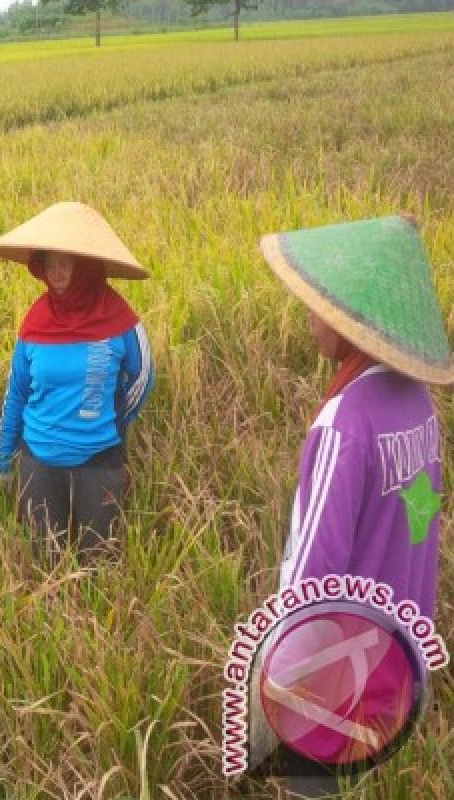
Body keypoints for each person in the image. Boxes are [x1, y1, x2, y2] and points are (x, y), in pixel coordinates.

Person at [249, 213, 451, 797]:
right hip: (397, 657)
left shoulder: (344, 423)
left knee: (311, 786)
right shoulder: (418, 407)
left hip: (335, 673)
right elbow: (421, 525)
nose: (310, 320)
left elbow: (314, 570)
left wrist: (281, 674)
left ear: (353, 326)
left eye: (320, 309)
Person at [0, 202, 154, 560]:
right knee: (45, 562)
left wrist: (111, 421)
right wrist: (2, 458)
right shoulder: (35, 322)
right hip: (40, 462)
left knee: (101, 564)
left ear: (86, 267)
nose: (58, 273)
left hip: (99, 462)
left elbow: (142, 378)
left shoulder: (119, 319)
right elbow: (16, 393)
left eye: (66, 263)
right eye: (50, 264)